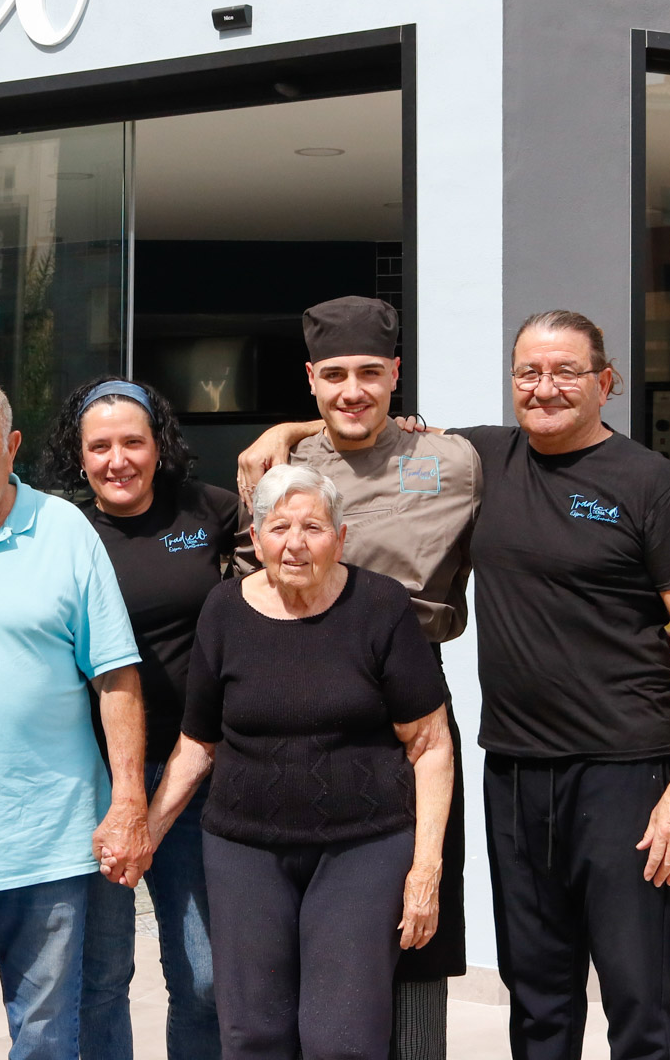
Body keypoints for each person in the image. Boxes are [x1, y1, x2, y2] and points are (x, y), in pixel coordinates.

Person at [243, 310, 670, 1060]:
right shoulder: (479, 458)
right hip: (512, 770)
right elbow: (364, 420)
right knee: (536, 997)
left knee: (637, 1003)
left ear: (605, 381)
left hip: (623, 771)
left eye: (566, 371)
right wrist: (281, 434)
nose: (545, 388)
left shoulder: (649, 482)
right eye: (528, 373)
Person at [0, 376, 234, 1060]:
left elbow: (117, 672)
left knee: (188, 982)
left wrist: (131, 800)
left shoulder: (182, 516)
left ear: (11, 448)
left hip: (139, 791)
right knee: (68, 994)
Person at [233, 295, 479, 1059]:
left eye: (370, 373)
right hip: (300, 701)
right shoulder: (283, 471)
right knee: (306, 950)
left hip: (410, 709)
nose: (352, 391)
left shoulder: (453, 461)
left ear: (396, 375)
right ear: (310, 379)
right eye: (334, 374)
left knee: (418, 928)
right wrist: (285, 431)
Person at [148, 463, 455, 1060]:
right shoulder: (224, 610)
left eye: (313, 527)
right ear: (255, 538)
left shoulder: (380, 605)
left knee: (341, 1038)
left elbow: (431, 743)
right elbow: (198, 743)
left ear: (341, 538)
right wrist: (147, 831)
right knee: (252, 1032)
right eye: (278, 526)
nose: (294, 543)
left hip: (362, 845)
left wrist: (425, 871)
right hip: (245, 847)